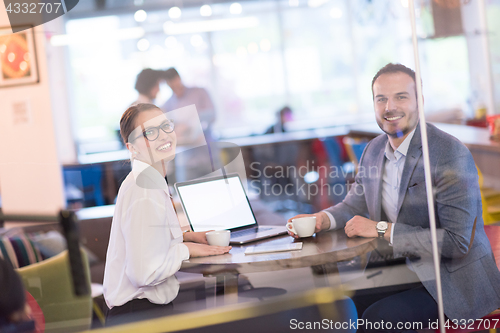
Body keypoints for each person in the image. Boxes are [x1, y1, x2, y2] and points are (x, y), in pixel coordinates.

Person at [288, 63, 500, 332]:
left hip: (452, 281)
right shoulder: (374, 150)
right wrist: (322, 219)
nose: (390, 107)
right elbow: (355, 203)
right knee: (338, 308)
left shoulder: (449, 153)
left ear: (419, 102)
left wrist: (381, 229)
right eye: (381, 99)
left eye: (401, 96)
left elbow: (457, 243)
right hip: (403, 269)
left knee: (378, 319)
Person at [103, 103, 231, 326]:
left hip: (141, 314)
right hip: (138, 317)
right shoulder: (145, 189)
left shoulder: (147, 180)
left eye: (165, 126)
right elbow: (143, 273)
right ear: (131, 147)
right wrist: (185, 249)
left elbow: (145, 241)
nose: (163, 136)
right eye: (150, 132)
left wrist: (183, 237)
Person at [160, 67, 216, 142]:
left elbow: (211, 115)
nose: (173, 86)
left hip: (205, 142)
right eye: (170, 84)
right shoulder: (168, 104)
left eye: (174, 81)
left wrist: (189, 125)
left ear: (178, 78)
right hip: (184, 147)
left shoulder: (199, 92)